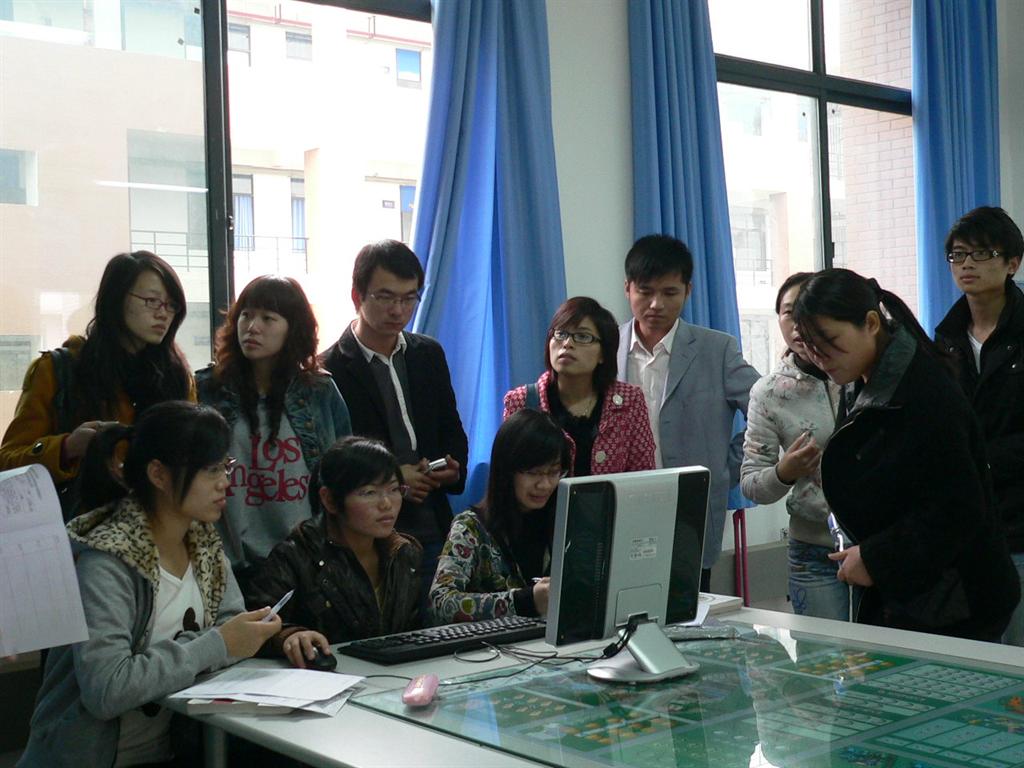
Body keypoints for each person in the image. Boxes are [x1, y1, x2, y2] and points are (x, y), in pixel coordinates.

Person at [17, 401, 281, 768]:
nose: (225, 482)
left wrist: (237, 638)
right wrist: (215, 645)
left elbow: (229, 628)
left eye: (226, 466)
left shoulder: (203, 541)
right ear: (158, 474)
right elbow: (107, 689)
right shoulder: (107, 560)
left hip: (177, 749)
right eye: (211, 470)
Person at [794, 268, 1019, 641]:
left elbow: (959, 508)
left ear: (870, 324)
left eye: (830, 342)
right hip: (915, 590)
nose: (821, 358)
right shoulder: (864, 377)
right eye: (810, 346)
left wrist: (876, 559)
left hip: (955, 597)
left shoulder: (923, 391)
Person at [319, 240, 468, 595]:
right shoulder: (328, 369)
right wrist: (395, 478)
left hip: (430, 518)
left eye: (409, 298)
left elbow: (451, 428)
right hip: (365, 531)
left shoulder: (427, 354)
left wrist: (452, 467)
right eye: (385, 297)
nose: (398, 310)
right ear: (357, 296)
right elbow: (330, 459)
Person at [1, 251, 195, 518]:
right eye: (152, 301)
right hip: (83, 527)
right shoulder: (60, 370)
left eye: (172, 306)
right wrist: (68, 447)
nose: (164, 314)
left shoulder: (177, 375)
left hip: (159, 528)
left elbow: (194, 459)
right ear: (116, 298)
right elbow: (8, 463)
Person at [616, 234, 760, 591]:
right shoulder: (607, 348)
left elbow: (765, 410)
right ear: (627, 288)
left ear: (688, 291)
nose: (656, 304)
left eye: (670, 292)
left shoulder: (716, 349)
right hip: (622, 503)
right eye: (645, 291)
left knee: (690, 605)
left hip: (690, 506)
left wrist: (727, 467)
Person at [196, 275, 351, 591]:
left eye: (268, 318)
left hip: (305, 562)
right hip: (226, 564)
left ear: (293, 328)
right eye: (246, 315)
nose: (252, 327)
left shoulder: (319, 392)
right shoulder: (207, 390)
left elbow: (345, 473)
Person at [246, 437, 423, 668]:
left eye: (394, 489)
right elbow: (255, 625)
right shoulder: (295, 555)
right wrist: (288, 636)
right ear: (329, 500)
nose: (386, 504)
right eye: (369, 492)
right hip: (325, 678)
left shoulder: (404, 554)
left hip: (393, 675)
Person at [935, 206, 1024, 646]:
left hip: (1019, 518)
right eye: (957, 254)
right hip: (966, 525)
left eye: (982, 253)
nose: (967, 264)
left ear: (1012, 263)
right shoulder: (945, 337)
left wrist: (982, 459)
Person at [740, 272, 848, 620]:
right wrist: (784, 472)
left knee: (885, 651)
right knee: (822, 651)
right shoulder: (769, 392)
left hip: (876, 544)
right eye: (789, 312)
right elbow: (751, 483)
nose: (799, 322)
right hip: (813, 549)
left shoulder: (861, 373)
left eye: (808, 309)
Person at [429, 409, 571, 625]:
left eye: (554, 472)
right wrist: (525, 601)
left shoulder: (566, 522)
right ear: (506, 471)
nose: (544, 485)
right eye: (533, 473)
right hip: (489, 644)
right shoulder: (471, 528)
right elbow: (441, 602)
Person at [504, 296, 655, 477]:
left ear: (603, 353)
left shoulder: (629, 401)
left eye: (583, 336)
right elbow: (507, 476)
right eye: (561, 334)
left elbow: (643, 476)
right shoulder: (521, 402)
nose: (567, 344)